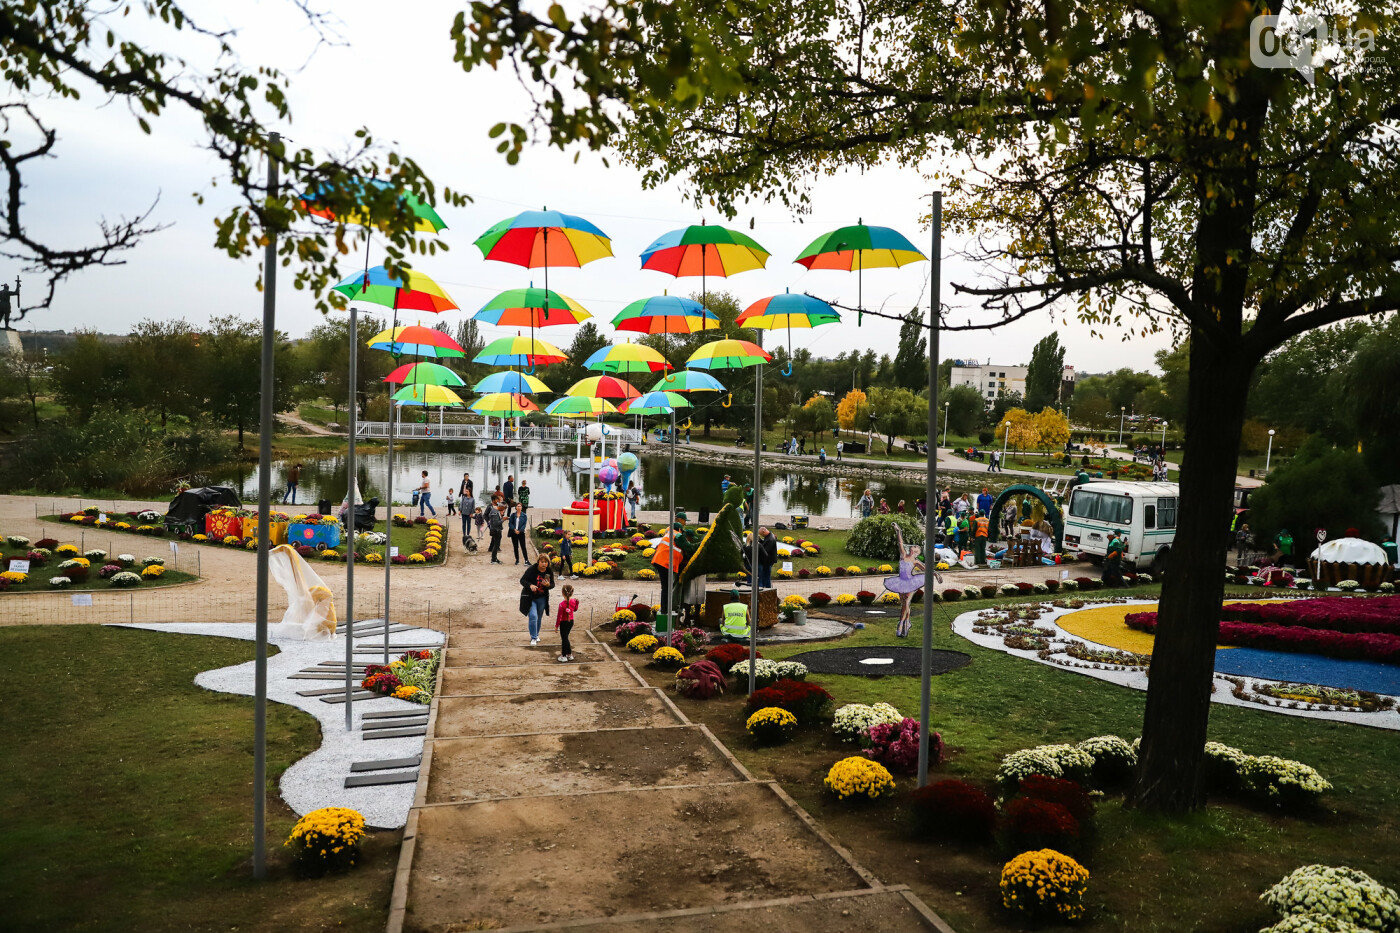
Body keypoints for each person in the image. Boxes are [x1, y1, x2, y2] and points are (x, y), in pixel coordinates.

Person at [883, 525, 930, 638]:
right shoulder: (903, 555)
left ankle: (900, 625)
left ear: (917, 552)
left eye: (916, 547)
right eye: (913, 546)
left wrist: (936, 574)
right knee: (905, 604)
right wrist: (899, 531)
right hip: (900, 582)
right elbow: (900, 543)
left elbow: (927, 570)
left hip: (910, 583)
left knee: (906, 603)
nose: (913, 546)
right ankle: (907, 623)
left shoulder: (916, 561)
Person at [519, 553, 556, 646]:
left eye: (546, 562)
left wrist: (548, 585)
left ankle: (536, 634)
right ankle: (533, 637)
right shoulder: (532, 569)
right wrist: (530, 585)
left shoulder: (549, 571)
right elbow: (522, 580)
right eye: (542, 562)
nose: (544, 564)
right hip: (530, 597)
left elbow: (553, 584)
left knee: (539, 617)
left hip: (542, 597)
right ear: (538, 562)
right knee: (533, 616)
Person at [652, 522, 683, 618]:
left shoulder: (668, 534)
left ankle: (665, 608)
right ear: (679, 529)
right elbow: (687, 547)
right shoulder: (678, 535)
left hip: (659, 561)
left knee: (665, 587)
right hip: (665, 563)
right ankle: (666, 610)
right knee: (667, 587)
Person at [555, 583, 579, 662]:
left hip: (563, 623)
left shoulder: (561, 605)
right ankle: (569, 654)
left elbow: (559, 617)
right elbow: (575, 609)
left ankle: (564, 655)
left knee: (564, 639)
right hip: (571, 622)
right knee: (566, 638)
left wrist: (556, 626)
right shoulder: (573, 601)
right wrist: (577, 603)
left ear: (562, 593)